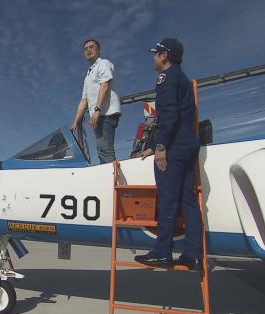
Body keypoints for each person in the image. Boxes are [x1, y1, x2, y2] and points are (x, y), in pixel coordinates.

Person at [134, 38, 203, 270]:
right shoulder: (181, 78)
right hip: (188, 144)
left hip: (173, 147)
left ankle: (162, 252)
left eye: (156, 53)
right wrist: (154, 145)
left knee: (167, 200)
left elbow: (168, 115)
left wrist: (161, 147)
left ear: (164, 55)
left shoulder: (165, 78)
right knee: (188, 200)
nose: (154, 57)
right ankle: (192, 254)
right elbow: (181, 116)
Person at [70, 39, 121, 164]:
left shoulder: (103, 63)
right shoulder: (88, 75)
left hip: (106, 114)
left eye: (91, 47)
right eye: (86, 48)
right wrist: (75, 123)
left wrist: (97, 110)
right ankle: (110, 177)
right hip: (98, 116)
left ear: (99, 50)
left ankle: (112, 181)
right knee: (101, 149)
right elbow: (84, 100)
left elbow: (105, 84)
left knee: (105, 150)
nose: (88, 50)